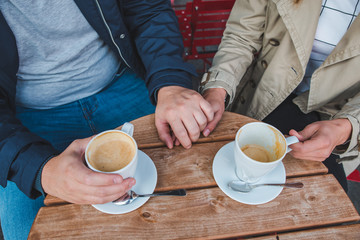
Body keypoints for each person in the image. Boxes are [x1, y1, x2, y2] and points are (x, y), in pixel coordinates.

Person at [0, 1, 214, 239]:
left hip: (120, 81)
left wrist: (170, 81)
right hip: (23, 117)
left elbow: (148, 8)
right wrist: (40, 170)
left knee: (197, 197)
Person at [200, 0, 360, 192]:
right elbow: (242, 36)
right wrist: (217, 89)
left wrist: (346, 127)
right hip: (262, 90)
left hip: (338, 113)